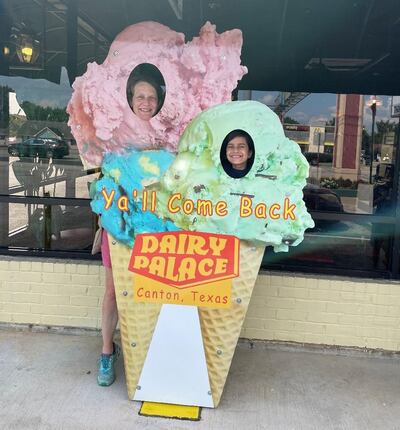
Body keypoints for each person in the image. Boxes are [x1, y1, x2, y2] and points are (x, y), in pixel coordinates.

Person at [97, 74, 164, 386]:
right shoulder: (115, 135)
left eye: (151, 97)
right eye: (141, 97)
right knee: (113, 290)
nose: (146, 103)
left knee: (146, 290)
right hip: (119, 223)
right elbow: (105, 180)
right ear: (131, 99)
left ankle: (141, 348)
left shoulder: (164, 136)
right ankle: (107, 353)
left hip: (150, 227)